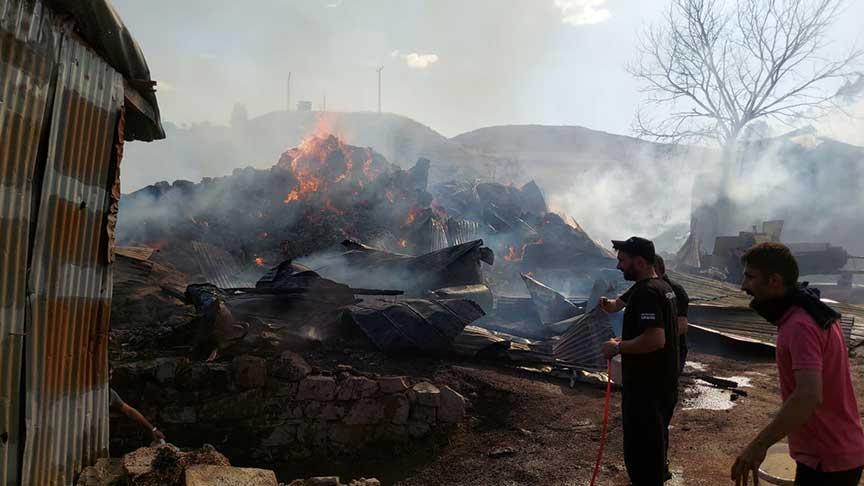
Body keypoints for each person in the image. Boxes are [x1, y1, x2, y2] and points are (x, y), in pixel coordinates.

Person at [731, 242, 864, 486]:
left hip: (826, 460)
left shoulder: (800, 325)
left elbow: (808, 395)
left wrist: (757, 447)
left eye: (750, 277)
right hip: (835, 452)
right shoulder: (813, 310)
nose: (743, 286)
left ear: (774, 280)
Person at [599, 236, 679, 486]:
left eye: (623, 261)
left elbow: (655, 340)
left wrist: (618, 347)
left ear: (641, 262)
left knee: (643, 453)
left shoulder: (647, 293)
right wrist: (625, 338)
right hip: (661, 384)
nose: (618, 266)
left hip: (647, 388)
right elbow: (654, 332)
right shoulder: (662, 287)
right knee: (654, 446)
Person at [602, 255, 690, 372]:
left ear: (654, 268)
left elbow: (682, 326)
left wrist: (648, 338)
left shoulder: (675, 289)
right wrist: (605, 303)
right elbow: (616, 305)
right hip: (646, 349)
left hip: (668, 351)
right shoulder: (642, 287)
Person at [109, 367, 166, 445]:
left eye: (111, 375)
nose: (110, 378)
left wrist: (153, 429)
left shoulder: (110, 393)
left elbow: (130, 411)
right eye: (109, 375)